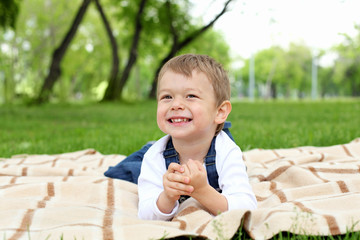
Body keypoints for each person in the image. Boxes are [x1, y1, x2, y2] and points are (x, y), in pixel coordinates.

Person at [137, 54, 257, 221]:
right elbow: (145, 214)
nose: (176, 104)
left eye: (191, 96)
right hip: (152, 154)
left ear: (220, 111)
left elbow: (246, 208)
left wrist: (202, 190)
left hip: (215, 148)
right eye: (167, 97)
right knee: (129, 169)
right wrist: (167, 198)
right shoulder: (155, 156)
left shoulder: (226, 151)